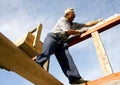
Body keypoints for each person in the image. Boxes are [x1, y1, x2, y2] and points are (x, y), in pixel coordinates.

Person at [35, 8, 103, 84]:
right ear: (67, 15)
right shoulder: (63, 20)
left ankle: (74, 79)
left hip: (62, 43)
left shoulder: (74, 24)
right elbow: (68, 32)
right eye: (73, 14)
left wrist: (97, 21)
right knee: (46, 52)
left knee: (67, 59)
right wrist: (80, 31)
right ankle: (37, 64)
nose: (74, 16)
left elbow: (86, 24)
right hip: (53, 37)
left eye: (74, 15)